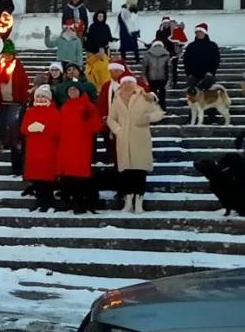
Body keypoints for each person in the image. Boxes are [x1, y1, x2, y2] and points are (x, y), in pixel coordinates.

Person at [107, 76, 164, 213]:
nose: (127, 85)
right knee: (126, 173)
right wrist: (118, 130)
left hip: (140, 138)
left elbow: (158, 113)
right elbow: (111, 118)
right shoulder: (117, 98)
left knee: (139, 172)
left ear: (134, 83)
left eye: (130, 82)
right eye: (124, 83)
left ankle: (139, 203)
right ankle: (128, 202)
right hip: (123, 139)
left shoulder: (144, 96)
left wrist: (147, 119)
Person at [56, 82, 103, 214]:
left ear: (80, 91)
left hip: (82, 145)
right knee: (69, 174)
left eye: (74, 89)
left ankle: (81, 202)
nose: (72, 92)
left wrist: (89, 118)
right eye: (69, 89)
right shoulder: (65, 107)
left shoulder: (89, 106)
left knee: (80, 174)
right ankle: (70, 201)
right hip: (66, 145)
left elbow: (97, 126)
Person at [21, 85, 62, 211]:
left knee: (47, 178)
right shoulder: (30, 112)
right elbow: (23, 129)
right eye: (38, 96)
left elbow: (58, 131)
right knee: (36, 177)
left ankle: (48, 201)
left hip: (48, 149)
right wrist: (29, 129)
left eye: (43, 96)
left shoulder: (55, 112)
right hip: (33, 150)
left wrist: (44, 129)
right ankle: (39, 200)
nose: (40, 99)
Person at [0, 40, 29, 173]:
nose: (6, 57)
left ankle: (13, 142)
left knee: (12, 122)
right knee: (2, 122)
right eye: (4, 55)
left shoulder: (18, 66)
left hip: (15, 101)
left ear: (13, 55)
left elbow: (24, 83)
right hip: (1, 101)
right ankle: (3, 141)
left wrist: (24, 99)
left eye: (9, 54)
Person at [183, 22, 220, 90]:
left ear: (204, 32)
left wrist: (211, 72)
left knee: (208, 97)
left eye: (200, 31)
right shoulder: (191, 46)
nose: (198, 33)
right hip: (194, 76)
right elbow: (186, 60)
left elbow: (216, 60)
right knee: (193, 97)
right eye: (196, 32)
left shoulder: (212, 45)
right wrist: (189, 73)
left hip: (208, 76)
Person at [143, 40, 171, 111]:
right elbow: (169, 68)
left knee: (152, 96)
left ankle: (153, 110)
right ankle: (163, 110)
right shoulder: (167, 54)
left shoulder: (148, 54)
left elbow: (144, 67)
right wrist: (169, 80)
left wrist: (144, 78)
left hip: (151, 78)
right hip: (163, 78)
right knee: (162, 96)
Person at [116, 0, 141, 64]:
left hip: (129, 32)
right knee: (126, 46)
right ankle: (125, 60)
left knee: (132, 46)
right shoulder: (125, 11)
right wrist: (134, 31)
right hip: (126, 32)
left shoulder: (130, 12)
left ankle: (135, 59)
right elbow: (128, 22)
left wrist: (137, 31)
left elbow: (134, 22)